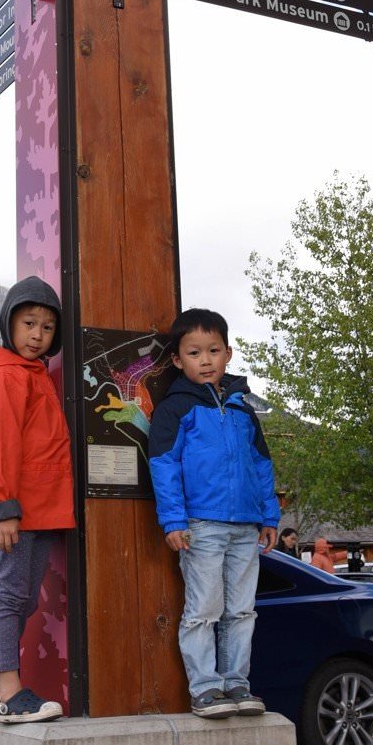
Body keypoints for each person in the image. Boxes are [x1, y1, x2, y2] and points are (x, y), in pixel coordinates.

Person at [149, 307, 279, 719]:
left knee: (241, 610)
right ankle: (205, 688)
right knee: (203, 610)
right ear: (177, 360)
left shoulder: (243, 411)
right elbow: (164, 465)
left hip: (245, 526)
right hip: (201, 525)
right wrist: (174, 521)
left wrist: (270, 517)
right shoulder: (175, 409)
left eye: (213, 350)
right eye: (194, 353)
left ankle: (237, 683)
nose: (205, 360)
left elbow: (262, 465)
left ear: (228, 354)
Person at [0, 277, 76, 724]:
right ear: (8, 323)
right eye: (28, 324)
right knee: (10, 597)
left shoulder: (34, 374)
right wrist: (3, 510)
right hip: (17, 510)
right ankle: (8, 694)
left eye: (47, 328)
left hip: (42, 508)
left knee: (24, 600)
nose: (37, 335)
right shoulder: (5, 373)